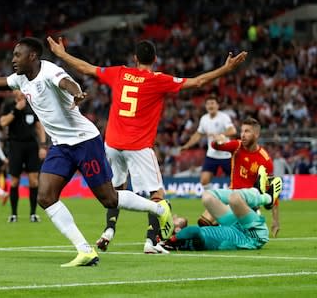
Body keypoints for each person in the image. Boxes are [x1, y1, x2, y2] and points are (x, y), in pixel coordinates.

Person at [0, 37, 174, 267]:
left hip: (85, 141)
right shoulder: (21, 78)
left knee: (109, 199)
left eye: (17, 55)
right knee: (45, 196)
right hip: (61, 146)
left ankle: (160, 209)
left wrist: (77, 92)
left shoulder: (49, 71)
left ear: (32, 56)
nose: (13, 59)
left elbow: (67, 82)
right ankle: (84, 250)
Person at [46, 36, 247, 253]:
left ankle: (109, 230)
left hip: (112, 144)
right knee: (157, 194)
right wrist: (226, 69)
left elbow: (86, 68)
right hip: (138, 146)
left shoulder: (120, 72)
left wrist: (62, 54)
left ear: (135, 59)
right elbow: (197, 82)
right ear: (155, 59)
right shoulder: (158, 80)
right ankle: (151, 242)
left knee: (115, 191)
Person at [196, 117, 281, 237]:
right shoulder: (237, 146)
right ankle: (232, 228)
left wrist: (275, 220)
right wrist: (218, 142)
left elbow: (272, 192)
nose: (243, 135)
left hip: (247, 201)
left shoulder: (265, 160)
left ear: (256, 134)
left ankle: (248, 220)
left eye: (247, 131)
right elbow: (217, 146)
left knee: (213, 220)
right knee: (203, 222)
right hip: (231, 196)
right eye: (242, 131)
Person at [162, 168, 282, 251]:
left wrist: (169, 240)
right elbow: (193, 231)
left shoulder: (188, 239)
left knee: (207, 197)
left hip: (233, 227)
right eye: (173, 219)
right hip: (252, 236)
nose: (175, 216)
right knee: (234, 199)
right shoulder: (190, 238)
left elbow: (194, 231)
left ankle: (256, 194)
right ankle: (266, 197)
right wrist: (171, 240)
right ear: (177, 230)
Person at [0, 91, 47, 222]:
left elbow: (39, 127)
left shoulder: (32, 105)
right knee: (14, 181)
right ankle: (14, 214)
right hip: (15, 146)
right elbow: (2, 123)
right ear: (14, 92)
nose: (21, 92)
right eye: (18, 89)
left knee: (34, 181)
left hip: (31, 146)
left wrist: (42, 145)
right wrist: (16, 110)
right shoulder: (9, 106)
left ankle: (33, 214)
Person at [180, 94, 236, 191]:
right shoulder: (204, 119)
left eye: (213, 103)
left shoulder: (224, 117)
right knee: (204, 180)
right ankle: (211, 202)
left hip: (226, 155)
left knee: (235, 181)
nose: (210, 106)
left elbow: (232, 131)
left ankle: (238, 200)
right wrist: (187, 145)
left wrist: (220, 135)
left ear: (218, 105)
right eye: (208, 104)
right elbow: (198, 134)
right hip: (212, 155)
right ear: (205, 106)